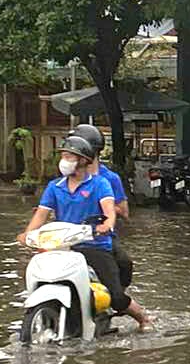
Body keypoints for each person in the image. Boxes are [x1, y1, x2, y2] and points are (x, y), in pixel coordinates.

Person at [16, 131, 151, 329]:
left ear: (83, 160)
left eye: (68, 156)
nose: (64, 160)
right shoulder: (55, 186)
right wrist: (28, 233)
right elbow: (41, 214)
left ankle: (143, 318)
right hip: (64, 245)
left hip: (94, 244)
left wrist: (106, 224)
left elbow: (109, 209)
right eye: (63, 156)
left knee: (115, 296)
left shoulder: (101, 183)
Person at [72, 125, 133, 287]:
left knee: (124, 263)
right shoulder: (68, 177)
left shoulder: (110, 179)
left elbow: (124, 212)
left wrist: (104, 205)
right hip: (69, 236)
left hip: (99, 237)